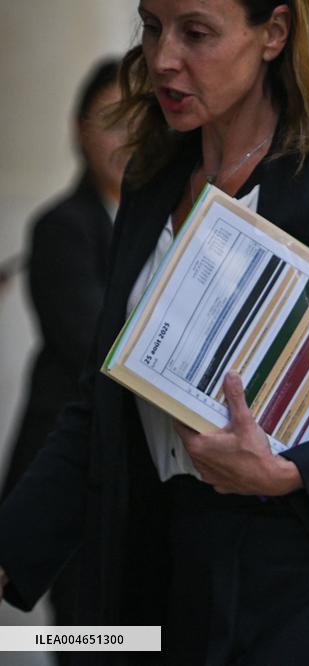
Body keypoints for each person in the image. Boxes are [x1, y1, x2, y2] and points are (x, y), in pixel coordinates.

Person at [0, 1, 309, 663]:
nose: (162, 58)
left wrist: (293, 472)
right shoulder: (152, 180)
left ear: (273, 32)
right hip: (164, 570)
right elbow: (102, 400)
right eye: (152, 26)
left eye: (197, 33)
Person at [1, 57, 125, 643]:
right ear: (79, 128)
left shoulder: (157, 220)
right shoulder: (61, 226)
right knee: (84, 639)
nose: (126, 136)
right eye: (110, 120)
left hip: (126, 485)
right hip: (71, 475)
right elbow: (92, 345)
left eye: (138, 119)